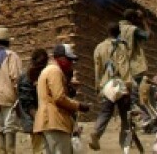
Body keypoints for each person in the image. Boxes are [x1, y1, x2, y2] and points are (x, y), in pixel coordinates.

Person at [35, 44, 88, 154]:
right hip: (55, 122)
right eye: (70, 60)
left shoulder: (48, 70)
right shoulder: (55, 71)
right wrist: (78, 106)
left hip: (47, 122)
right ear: (62, 58)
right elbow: (59, 97)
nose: (71, 64)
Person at [90, 22, 133, 153]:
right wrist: (128, 86)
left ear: (107, 32)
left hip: (106, 85)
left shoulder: (99, 47)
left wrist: (98, 87)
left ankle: (96, 132)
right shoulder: (122, 47)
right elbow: (124, 67)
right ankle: (125, 146)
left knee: (105, 111)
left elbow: (97, 70)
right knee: (125, 116)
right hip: (120, 85)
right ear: (118, 32)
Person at [0, 27, 23, 154]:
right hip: (8, 97)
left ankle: (0, 151)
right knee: (9, 128)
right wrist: (18, 97)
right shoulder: (11, 56)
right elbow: (15, 78)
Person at [18, 49, 49, 154]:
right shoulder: (27, 77)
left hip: (42, 117)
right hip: (34, 119)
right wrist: (38, 119)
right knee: (39, 148)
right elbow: (28, 103)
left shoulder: (43, 74)